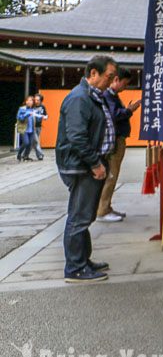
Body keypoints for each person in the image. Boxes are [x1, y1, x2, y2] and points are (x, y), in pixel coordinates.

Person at [57, 55, 117, 283]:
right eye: (108, 77)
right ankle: (75, 267)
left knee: (85, 215)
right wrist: (94, 163)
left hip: (89, 163)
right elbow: (77, 136)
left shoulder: (92, 96)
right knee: (79, 217)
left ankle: (83, 259)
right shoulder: (80, 98)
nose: (110, 82)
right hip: (81, 166)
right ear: (93, 74)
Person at [97, 68, 140, 223]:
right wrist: (129, 110)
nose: (125, 87)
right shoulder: (108, 96)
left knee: (112, 174)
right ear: (116, 80)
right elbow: (115, 116)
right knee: (111, 175)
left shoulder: (112, 96)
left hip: (118, 139)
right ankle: (102, 210)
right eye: (124, 83)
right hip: (114, 140)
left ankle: (107, 207)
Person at [16, 96, 36, 162]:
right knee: (26, 143)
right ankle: (19, 154)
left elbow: (35, 119)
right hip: (24, 129)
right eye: (28, 100)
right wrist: (27, 114)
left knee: (30, 144)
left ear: (33, 102)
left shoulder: (33, 109)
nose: (29, 102)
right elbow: (19, 118)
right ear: (25, 101)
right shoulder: (22, 109)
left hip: (31, 129)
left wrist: (42, 117)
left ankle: (25, 156)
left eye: (31, 100)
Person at [32, 93, 48, 161]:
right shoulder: (32, 106)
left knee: (36, 142)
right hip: (32, 126)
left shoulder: (42, 106)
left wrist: (45, 117)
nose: (36, 101)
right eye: (35, 100)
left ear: (41, 100)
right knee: (36, 141)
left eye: (38, 100)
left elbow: (45, 115)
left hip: (39, 126)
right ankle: (41, 153)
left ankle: (39, 156)